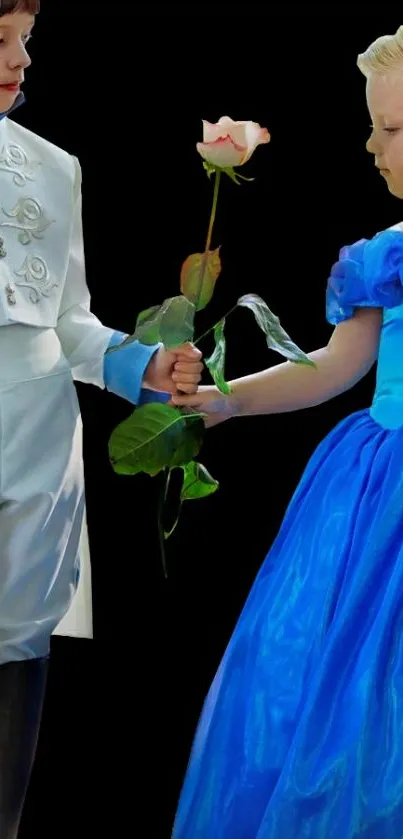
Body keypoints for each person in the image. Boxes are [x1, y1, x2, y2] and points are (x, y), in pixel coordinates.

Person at [170, 24, 403, 839]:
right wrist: (228, 399)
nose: (373, 143)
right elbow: (335, 366)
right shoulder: (385, 258)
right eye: (374, 125)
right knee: (342, 700)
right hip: (379, 502)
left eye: (394, 127)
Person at [0, 2, 203, 837]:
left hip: (32, 441)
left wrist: (142, 364)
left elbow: (69, 318)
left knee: (14, 642)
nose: (21, 58)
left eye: (24, 39)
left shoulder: (50, 167)